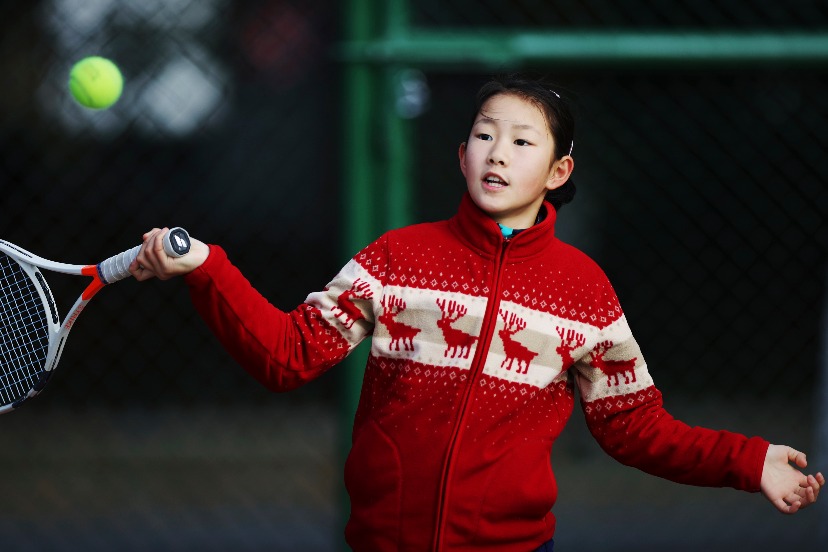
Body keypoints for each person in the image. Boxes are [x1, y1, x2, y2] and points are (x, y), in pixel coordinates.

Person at [130, 74, 823, 551]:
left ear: (558, 173)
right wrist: (208, 269)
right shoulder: (395, 260)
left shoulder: (583, 292)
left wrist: (748, 460)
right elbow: (288, 355)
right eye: (485, 136)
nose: (499, 152)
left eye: (523, 141)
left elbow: (634, 427)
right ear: (462, 156)